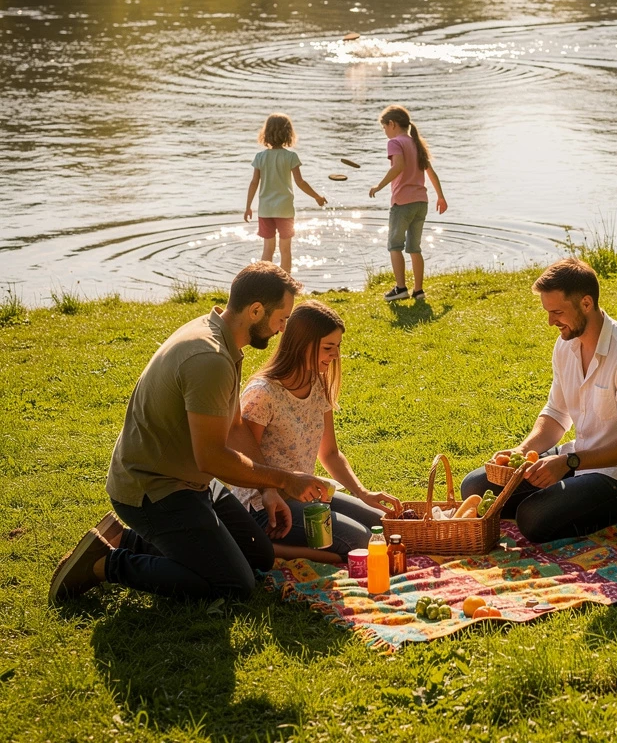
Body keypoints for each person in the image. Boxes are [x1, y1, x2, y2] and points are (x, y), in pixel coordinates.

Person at [48, 263, 333, 605]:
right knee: (234, 585)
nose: (282, 329)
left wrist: (268, 488)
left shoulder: (223, 337)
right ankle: (104, 563)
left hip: (192, 481)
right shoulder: (209, 358)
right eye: (281, 319)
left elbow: (235, 426)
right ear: (255, 310)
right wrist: (286, 480)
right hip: (153, 489)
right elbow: (211, 457)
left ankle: (125, 540)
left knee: (257, 557)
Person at [460, 257, 617, 543]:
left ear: (586, 303)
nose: (550, 322)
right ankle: (574, 500)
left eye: (557, 312)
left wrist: (568, 462)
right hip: (578, 459)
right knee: (476, 486)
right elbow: (557, 413)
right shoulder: (566, 345)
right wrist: (522, 452)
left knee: (533, 519)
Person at [231, 299, 402, 560]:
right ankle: (263, 546)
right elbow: (245, 459)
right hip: (265, 504)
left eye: (337, 347)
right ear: (302, 345)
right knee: (362, 541)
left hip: (305, 497)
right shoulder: (262, 394)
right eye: (328, 347)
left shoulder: (317, 384)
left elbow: (330, 453)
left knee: (386, 528)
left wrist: (362, 492)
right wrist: (272, 491)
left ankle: (296, 549)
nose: (335, 355)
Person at [368, 104, 447, 303]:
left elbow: (398, 166)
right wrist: (441, 196)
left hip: (402, 202)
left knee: (395, 246)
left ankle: (401, 288)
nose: (385, 132)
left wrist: (379, 186)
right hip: (421, 202)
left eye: (384, 127)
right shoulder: (416, 143)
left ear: (392, 124)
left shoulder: (395, 143)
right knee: (414, 248)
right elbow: (431, 173)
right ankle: (418, 291)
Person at [244, 112, 327, 274]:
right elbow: (300, 182)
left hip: (265, 210)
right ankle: (286, 284)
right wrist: (317, 196)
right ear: (288, 134)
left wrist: (248, 207)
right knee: (285, 250)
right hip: (285, 210)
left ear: (266, 133)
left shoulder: (260, 157)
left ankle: (264, 282)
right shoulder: (290, 157)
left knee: (267, 249)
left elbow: (254, 183)